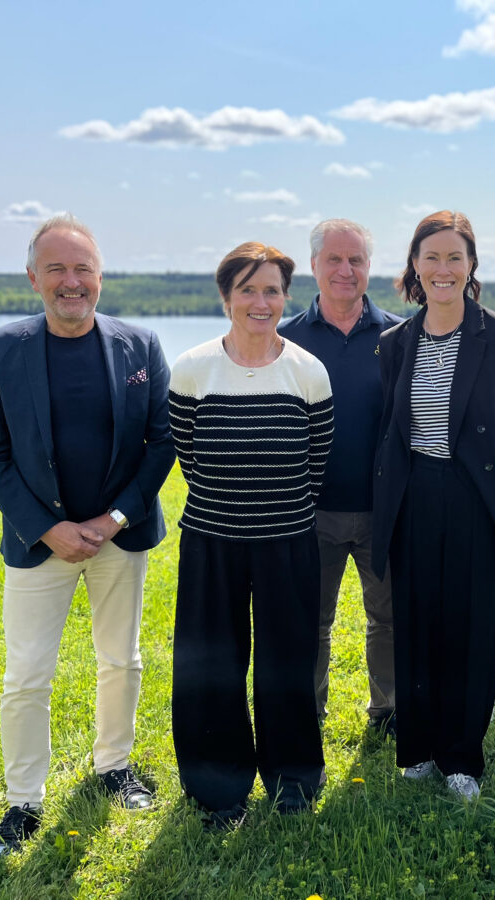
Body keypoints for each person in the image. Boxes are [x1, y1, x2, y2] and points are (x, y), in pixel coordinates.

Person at [0, 213, 176, 859]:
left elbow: (161, 441)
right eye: (56, 268)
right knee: (27, 674)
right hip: (40, 544)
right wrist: (48, 528)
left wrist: (114, 519)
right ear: (33, 278)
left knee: (122, 659)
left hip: (119, 537)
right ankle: (23, 802)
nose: (71, 281)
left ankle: (114, 766)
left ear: (100, 277)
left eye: (83, 268)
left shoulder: (140, 345)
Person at [371, 211, 495, 799]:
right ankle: (418, 747)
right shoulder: (395, 343)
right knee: (415, 620)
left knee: (472, 624)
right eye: (432, 257)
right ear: (414, 266)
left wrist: (477, 471)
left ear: (471, 266)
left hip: (476, 495)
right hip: (414, 493)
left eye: (454, 257)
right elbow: (391, 426)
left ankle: (461, 755)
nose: (443, 269)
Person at [168, 242, 334, 824]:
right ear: (226, 297)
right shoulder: (193, 369)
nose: (260, 302)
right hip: (212, 540)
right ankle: (218, 787)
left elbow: (316, 463)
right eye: (247, 290)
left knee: (287, 663)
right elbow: (188, 457)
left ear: (286, 297)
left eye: (271, 291)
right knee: (211, 665)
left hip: (289, 541)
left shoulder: (308, 372)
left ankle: (293, 779)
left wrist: (272, 510)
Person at [279, 219, 402, 733]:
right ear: (314, 266)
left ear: (369, 267)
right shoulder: (285, 338)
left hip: (384, 511)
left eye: (356, 260)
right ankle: (307, 714)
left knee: (390, 620)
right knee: (310, 622)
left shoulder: (399, 336)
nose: (345, 270)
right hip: (310, 511)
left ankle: (389, 712)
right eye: (334, 259)